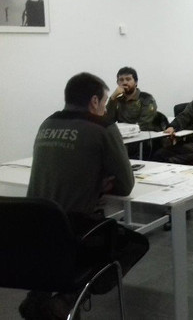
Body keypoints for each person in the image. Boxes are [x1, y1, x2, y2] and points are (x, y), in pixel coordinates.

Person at [24, 72, 149, 319]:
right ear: (94, 102)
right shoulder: (103, 127)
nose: (104, 109)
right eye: (103, 103)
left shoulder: (47, 123)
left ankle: (38, 296)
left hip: (35, 229)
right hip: (75, 230)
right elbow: (125, 185)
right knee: (134, 244)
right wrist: (100, 184)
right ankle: (68, 298)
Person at [105, 66, 159, 131]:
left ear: (136, 82)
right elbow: (108, 120)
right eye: (121, 80)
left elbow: (144, 124)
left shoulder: (146, 98)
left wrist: (125, 131)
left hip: (142, 137)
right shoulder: (118, 100)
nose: (124, 82)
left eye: (128, 79)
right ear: (117, 83)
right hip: (124, 137)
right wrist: (113, 97)